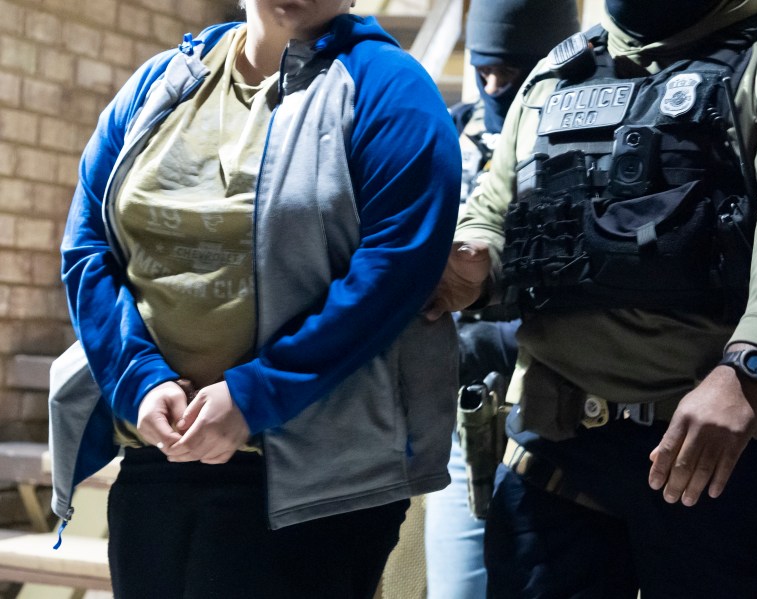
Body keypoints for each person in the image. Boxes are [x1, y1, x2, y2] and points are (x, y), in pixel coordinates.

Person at [425, 0, 757, 597]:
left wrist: (747, 365)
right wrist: (475, 257)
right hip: (555, 445)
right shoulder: (558, 73)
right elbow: (498, 206)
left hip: (715, 452)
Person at [55, 1, 461, 597]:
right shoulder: (161, 82)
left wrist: (255, 395)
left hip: (314, 480)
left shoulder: (391, 88)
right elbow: (87, 243)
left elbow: (395, 271)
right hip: (161, 455)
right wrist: (136, 378)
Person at [424, 2, 579, 597]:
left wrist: (504, 337)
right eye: (483, 70)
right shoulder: (445, 139)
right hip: (458, 421)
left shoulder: (581, 148)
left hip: (553, 417)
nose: (492, 88)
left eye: (510, 75)